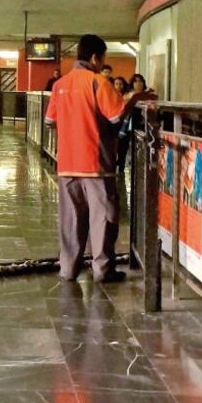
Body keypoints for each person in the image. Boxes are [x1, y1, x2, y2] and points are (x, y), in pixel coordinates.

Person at [44, 34, 127, 283]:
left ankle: (68, 269)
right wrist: (133, 101)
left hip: (67, 163)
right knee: (103, 217)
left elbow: (50, 122)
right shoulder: (98, 82)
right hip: (96, 164)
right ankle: (102, 270)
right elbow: (116, 118)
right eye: (103, 58)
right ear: (95, 57)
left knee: (71, 219)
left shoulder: (60, 85)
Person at [117, 74, 158, 172]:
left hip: (141, 124)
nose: (138, 84)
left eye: (140, 81)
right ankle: (121, 169)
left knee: (139, 149)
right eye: (135, 81)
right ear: (132, 84)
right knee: (123, 147)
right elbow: (124, 109)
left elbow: (154, 98)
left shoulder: (146, 95)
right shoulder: (130, 95)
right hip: (126, 125)